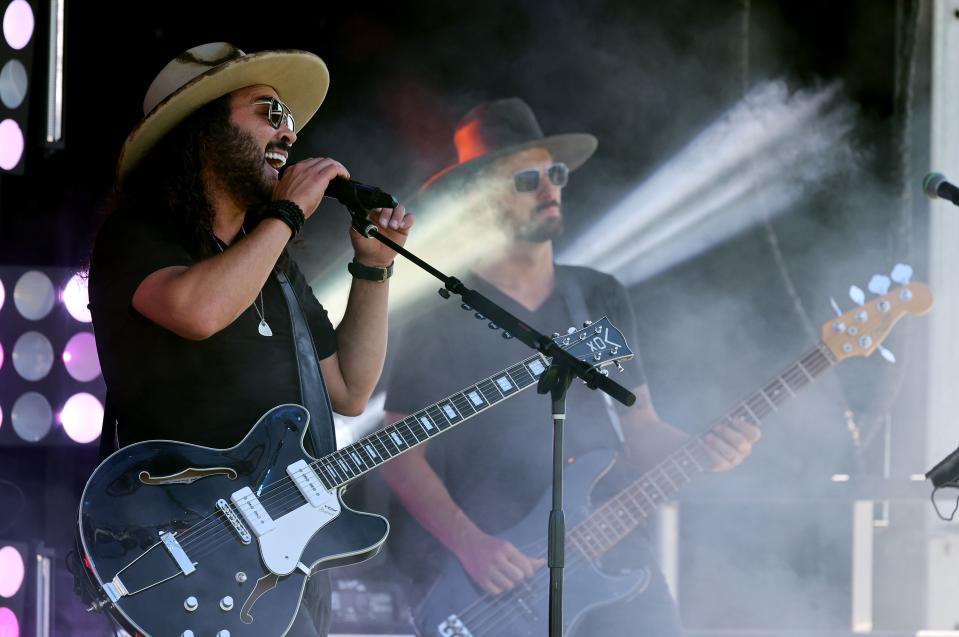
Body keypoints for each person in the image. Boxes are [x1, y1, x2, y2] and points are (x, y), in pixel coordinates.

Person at [378, 98, 759, 635]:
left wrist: (707, 449)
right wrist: (471, 545)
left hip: (612, 550)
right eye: (526, 178)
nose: (549, 188)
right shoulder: (444, 310)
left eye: (554, 174)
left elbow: (641, 427)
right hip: (500, 575)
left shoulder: (598, 295)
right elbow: (398, 451)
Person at [87, 42, 413, 636]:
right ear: (203, 129)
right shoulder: (140, 234)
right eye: (269, 112)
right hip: (184, 548)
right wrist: (285, 214)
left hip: (286, 558)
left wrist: (373, 269)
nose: (288, 134)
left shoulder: (275, 270)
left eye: (290, 120)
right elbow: (198, 310)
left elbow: (349, 390)